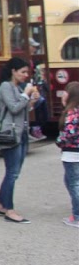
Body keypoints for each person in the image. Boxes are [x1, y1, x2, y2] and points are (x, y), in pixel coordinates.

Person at [0, 56, 41, 223]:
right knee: (12, 173)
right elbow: (14, 108)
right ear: (13, 71)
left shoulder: (16, 87)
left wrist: (32, 101)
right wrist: (26, 95)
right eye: (23, 72)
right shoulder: (5, 86)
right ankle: (9, 210)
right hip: (11, 134)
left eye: (27, 72)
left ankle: (1, 204)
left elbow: (21, 108)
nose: (25, 75)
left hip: (20, 133)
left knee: (13, 172)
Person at [56, 81, 79, 228]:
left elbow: (67, 135)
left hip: (72, 154)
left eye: (65, 91)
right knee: (71, 181)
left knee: (73, 183)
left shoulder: (71, 114)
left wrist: (59, 141)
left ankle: (77, 216)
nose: (63, 94)